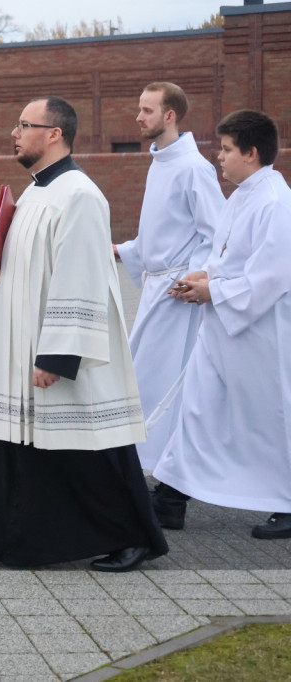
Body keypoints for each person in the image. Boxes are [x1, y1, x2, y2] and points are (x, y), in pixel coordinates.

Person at [0, 97, 168, 572]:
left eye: (25, 125)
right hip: (19, 341)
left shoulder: (81, 196)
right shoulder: (35, 192)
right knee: (0, 438)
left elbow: (83, 277)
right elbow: (30, 263)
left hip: (60, 345)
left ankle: (137, 537)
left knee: (93, 445)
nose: (15, 133)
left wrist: (58, 355)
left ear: (54, 134)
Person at [153, 110, 291, 539]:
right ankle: (169, 499)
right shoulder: (242, 195)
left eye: (228, 149)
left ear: (251, 153)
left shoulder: (275, 201)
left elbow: (271, 276)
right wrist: (204, 277)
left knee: (270, 416)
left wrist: (214, 291)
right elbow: (228, 258)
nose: (220, 157)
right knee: (198, 407)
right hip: (224, 328)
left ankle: (287, 501)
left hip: (259, 333)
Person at [113, 82, 223, 471]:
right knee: (141, 377)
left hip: (180, 295)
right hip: (157, 289)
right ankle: (147, 467)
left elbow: (218, 233)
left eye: (146, 110)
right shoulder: (160, 163)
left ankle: (167, 473)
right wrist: (119, 251)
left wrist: (199, 277)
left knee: (166, 383)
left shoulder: (195, 168)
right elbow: (155, 235)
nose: (138, 117)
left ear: (169, 115)